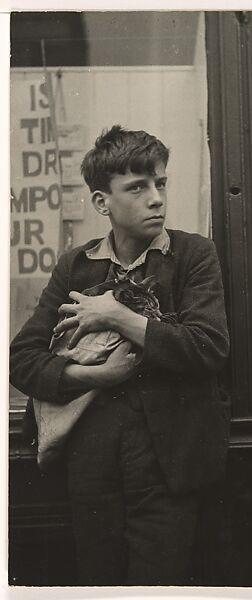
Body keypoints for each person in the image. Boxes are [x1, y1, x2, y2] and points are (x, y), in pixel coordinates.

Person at [9, 125, 230, 586]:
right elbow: (22, 360)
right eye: (138, 187)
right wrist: (96, 377)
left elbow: (209, 347)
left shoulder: (192, 255)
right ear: (101, 202)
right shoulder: (76, 264)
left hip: (170, 464)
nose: (156, 198)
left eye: (161, 184)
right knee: (100, 582)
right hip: (91, 464)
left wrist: (116, 316)